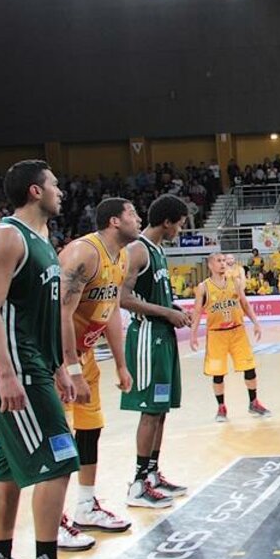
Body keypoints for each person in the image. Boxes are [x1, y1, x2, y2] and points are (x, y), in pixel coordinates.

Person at [0, 159, 100, 559]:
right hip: (16, 368)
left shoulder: (41, 243)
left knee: (8, 467)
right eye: (54, 186)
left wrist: (59, 367)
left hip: (35, 364)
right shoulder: (5, 235)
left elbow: (39, 314)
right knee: (60, 458)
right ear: (34, 191)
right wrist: (5, 372)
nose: (60, 192)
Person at [58, 197, 140, 541]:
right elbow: (59, 313)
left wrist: (121, 363)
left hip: (85, 356)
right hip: (58, 361)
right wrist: (71, 368)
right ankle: (55, 520)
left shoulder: (120, 257)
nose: (138, 218)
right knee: (58, 439)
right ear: (114, 222)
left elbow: (110, 312)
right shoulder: (83, 253)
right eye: (132, 214)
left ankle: (86, 506)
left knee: (91, 429)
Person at [119, 195, 194, 508]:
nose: (180, 229)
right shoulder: (137, 250)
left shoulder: (158, 251)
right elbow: (122, 297)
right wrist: (165, 314)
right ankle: (137, 484)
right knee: (150, 410)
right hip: (148, 337)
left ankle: (152, 474)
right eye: (179, 223)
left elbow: (150, 295)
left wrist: (172, 308)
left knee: (161, 410)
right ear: (167, 221)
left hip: (163, 337)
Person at [190, 252, 270, 422]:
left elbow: (245, 304)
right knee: (217, 373)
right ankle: (221, 407)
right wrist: (193, 334)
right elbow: (197, 312)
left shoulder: (235, 282)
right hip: (216, 335)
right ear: (210, 265)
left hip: (237, 332)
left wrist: (256, 322)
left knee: (249, 367)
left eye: (224, 261)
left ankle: (254, 402)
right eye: (219, 261)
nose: (223, 263)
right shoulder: (203, 287)